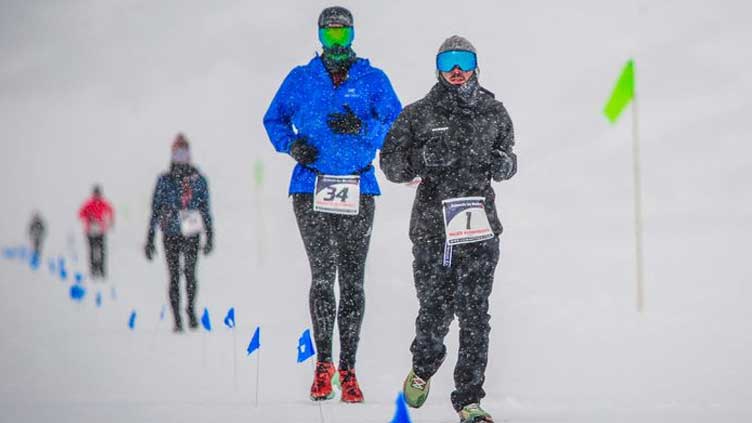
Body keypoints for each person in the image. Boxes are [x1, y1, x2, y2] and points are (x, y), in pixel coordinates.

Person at [263, 6, 401, 403]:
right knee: (323, 277)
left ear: (353, 35)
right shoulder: (301, 79)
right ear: (320, 37)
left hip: (358, 185)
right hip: (311, 187)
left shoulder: (373, 79)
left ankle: (349, 369)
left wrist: (364, 127)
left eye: (343, 35)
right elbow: (273, 120)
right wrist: (292, 145)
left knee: (353, 280)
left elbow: (397, 128)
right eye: (330, 35)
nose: (336, 42)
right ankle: (323, 366)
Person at [380, 35, 517, 423]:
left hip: (479, 228)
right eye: (448, 62)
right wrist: (422, 158)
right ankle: (424, 365)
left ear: (476, 64)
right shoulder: (418, 113)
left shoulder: (494, 111)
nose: (457, 70)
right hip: (432, 231)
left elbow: (509, 156)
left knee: (476, 314)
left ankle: (469, 399)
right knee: (435, 311)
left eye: (464, 61)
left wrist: (505, 165)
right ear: (437, 67)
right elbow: (389, 164)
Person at [144, 134, 213, 333]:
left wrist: (210, 235)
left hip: (192, 232)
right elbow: (155, 210)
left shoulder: (198, 179)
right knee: (173, 276)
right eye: (177, 152)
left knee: (190, 275)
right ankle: (177, 319)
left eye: (184, 152)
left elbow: (205, 209)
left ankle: (190, 311)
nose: (181, 156)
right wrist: (149, 238)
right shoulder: (165, 180)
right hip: (171, 232)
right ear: (172, 154)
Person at [78, 185, 115, 279]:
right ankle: (94, 270)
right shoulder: (89, 203)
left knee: (101, 251)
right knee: (93, 251)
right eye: (96, 193)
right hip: (90, 231)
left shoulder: (103, 203)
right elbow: (80, 213)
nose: (97, 195)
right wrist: (89, 218)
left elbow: (111, 210)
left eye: (98, 193)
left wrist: (110, 221)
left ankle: (101, 270)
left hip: (100, 231)